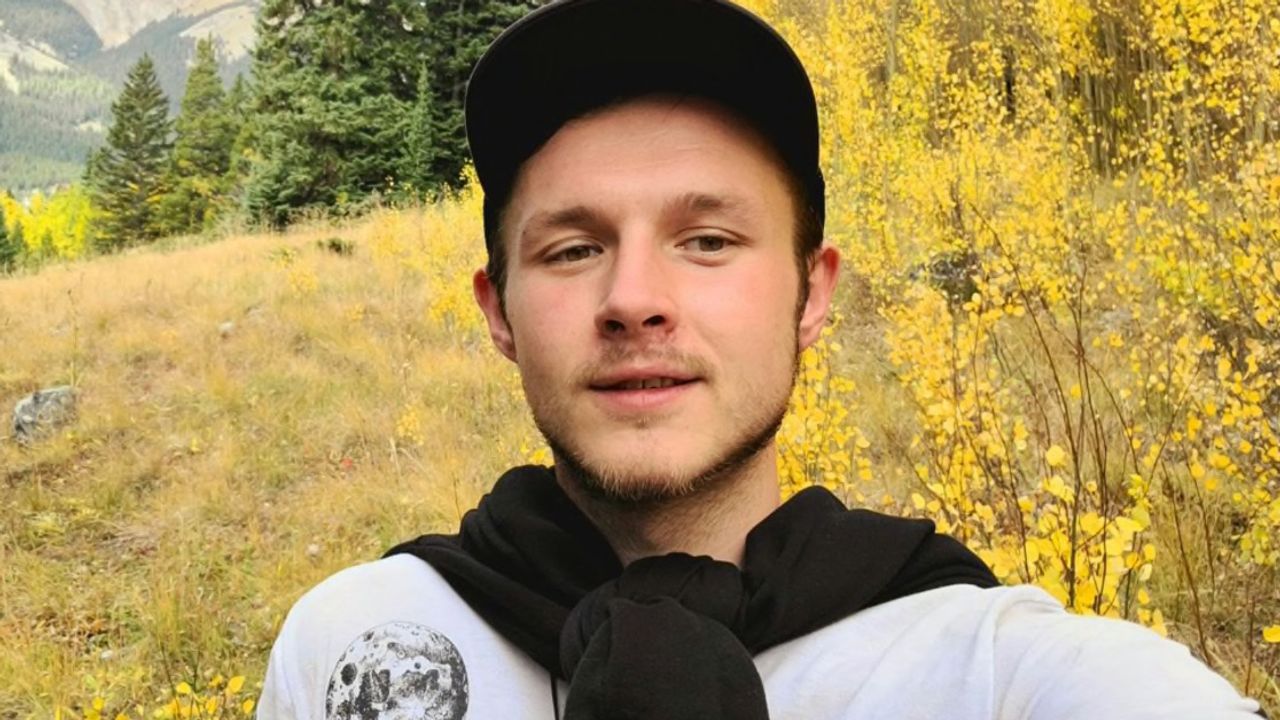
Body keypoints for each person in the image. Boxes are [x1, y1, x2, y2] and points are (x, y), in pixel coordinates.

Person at [258, 0, 1267, 718]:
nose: (633, 299)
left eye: (707, 240)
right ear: (499, 313)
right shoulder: (352, 642)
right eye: (572, 249)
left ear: (810, 295)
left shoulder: (993, 671)